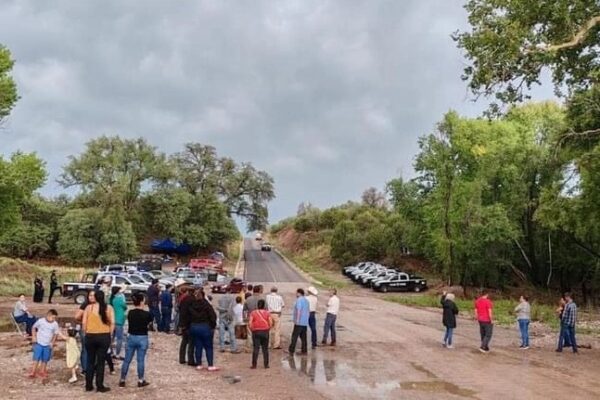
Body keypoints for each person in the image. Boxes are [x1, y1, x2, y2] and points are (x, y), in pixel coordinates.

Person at [82, 290, 115, 393]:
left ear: (95, 297)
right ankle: (100, 385)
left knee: (90, 361)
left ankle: (88, 385)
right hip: (104, 336)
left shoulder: (89, 307)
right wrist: (110, 334)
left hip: (90, 336)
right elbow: (113, 322)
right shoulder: (109, 308)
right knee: (101, 362)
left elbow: (84, 323)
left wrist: (86, 332)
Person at [119, 293, 152, 388]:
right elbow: (149, 322)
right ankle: (140, 380)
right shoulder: (147, 314)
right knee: (140, 360)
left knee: (127, 360)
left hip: (131, 336)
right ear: (142, 302)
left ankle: (122, 379)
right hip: (142, 337)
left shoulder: (131, 312)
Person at [189, 288, 219, 371]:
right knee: (208, 347)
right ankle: (210, 365)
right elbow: (213, 316)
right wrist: (213, 326)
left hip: (194, 326)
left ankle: (199, 364)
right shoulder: (207, 305)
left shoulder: (192, 305)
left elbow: (188, 316)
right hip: (205, 326)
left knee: (198, 346)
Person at [28, 309, 61, 379]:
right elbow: (33, 327)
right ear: (48, 315)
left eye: (55, 318)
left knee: (45, 359)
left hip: (47, 344)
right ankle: (33, 371)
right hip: (39, 343)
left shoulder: (55, 324)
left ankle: (42, 371)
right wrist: (34, 337)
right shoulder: (41, 321)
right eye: (53, 317)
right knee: (36, 358)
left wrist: (52, 342)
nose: (53, 319)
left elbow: (55, 334)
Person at [249, 299, 273, 369]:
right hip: (265, 331)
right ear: (264, 305)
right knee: (265, 349)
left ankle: (254, 364)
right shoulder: (267, 313)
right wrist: (268, 329)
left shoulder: (253, 313)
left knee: (256, 348)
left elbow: (250, 323)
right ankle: (266, 364)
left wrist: (252, 329)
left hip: (256, 331)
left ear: (257, 305)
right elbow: (270, 323)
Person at [178, 287, 196, 366]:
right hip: (190, 323)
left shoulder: (183, 300)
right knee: (191, 342)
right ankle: (190, 360)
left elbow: (180, 311)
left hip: (183, 323)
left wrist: (181, 324)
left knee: (184, 341)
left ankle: (181, 358)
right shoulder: (193, 300)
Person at [289, 288, 310, 355]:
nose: (296, 294)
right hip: (304, 322)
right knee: (303, 337)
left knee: (294, 336)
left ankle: (291, 350)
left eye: (296, 293)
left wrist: (297, 320)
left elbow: (299, 310)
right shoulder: (306, 301)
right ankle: (304, 350)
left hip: (299, 322)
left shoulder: (299, 300)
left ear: (299, 293)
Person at [110, 286, 127, 359]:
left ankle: (110, 352)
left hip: (112, 320)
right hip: (119, 321)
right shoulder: (120, 299)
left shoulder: (111, 299)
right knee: (119, 338)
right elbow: (125, 307)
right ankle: (117, 354)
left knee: (111, 338)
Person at [244, 285, 262, 351]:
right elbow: (266, 310)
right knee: (258, 334)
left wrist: (244, 318)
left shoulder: (248, 299)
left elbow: (244, 310)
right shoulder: (262, 299)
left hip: (250, 318)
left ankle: (248, 348)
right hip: (259, 319)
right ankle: (257, 347)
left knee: (249, 334)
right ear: (259, 291)